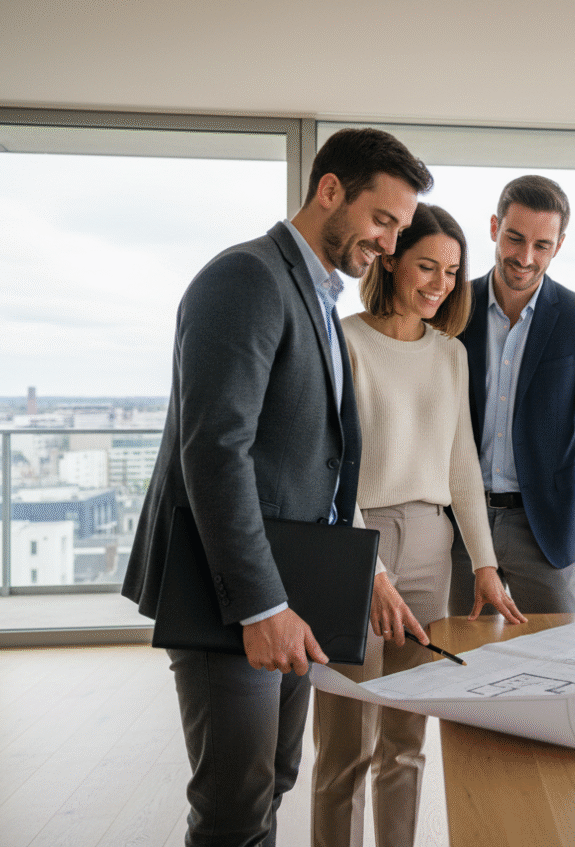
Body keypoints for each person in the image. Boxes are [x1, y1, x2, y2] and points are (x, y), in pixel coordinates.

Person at [121, 127, 433, 847]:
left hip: (293, 594)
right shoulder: (246, 279)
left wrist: (363, 573)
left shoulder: (319, 295)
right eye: (381, 220)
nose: (389, 244)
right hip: (232, 594)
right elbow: (215, 451)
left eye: (399, 228)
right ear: (330, 191)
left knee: (275, 782)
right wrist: (261, 605)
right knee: (233, 810)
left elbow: (308, 462)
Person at [312, 203, 525, 847]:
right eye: (426, 266)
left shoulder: (451, 355)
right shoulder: (342, 339)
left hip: (432, 549)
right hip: (355, 545)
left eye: (452, 271)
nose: (439, 283)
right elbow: (331, 470)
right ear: (392, 260)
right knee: (345, 743)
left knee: (406, 741)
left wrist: (485, 568)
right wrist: (370, 571)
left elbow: (463, 466)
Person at [449, 174, 575, 622]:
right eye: (515, 238)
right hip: (460, 524)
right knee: (461, 668)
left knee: (559, 668)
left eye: (541, 245)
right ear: (495, 227)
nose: (524, 257)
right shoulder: (455, 305)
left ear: (558, 245)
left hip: (545, 530)